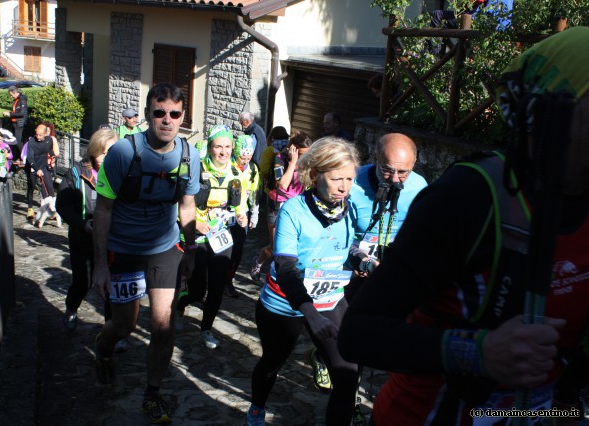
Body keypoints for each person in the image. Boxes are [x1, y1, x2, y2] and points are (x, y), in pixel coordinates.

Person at [338, 27, 589, 425]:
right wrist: (480, 352)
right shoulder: (471, 196)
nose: (397, 177)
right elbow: (359, 334)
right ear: (545, 114)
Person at [92, 82, 200, 424]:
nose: (166, 120)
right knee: (125, 324)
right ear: (147, 115)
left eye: (174, 114)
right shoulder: (123, 152)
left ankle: (152, 393)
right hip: (123, 250)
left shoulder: (189, 155)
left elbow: (187, 205)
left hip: (164, 249)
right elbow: (103, 209)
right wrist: (100, 265)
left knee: (164, 324)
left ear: (183, 116)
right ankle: (104, 348)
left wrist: (191, 249)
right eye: (159, 113)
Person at [247, 137, 364, 426]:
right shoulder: (293, 211)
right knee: (272, 362)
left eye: (349, 178)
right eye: (337, 178)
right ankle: (256, 408)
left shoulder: (351, 206)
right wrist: (308, 312)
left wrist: (363, 260)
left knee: (347, 375)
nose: (344, 186)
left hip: (329, 299)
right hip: (285, 302)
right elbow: (285, 267)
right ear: (314, 175)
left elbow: (348, 247)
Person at [307, 132, 429, 393]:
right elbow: (333, 231)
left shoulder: (420, 187)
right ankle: (324, 358)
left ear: (414, 164)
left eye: (403, 173)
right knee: (342, 330)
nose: (395, 179)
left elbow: (419, 235)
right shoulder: (354, 181)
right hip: (350, 268)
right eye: (387, 171)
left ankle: (353, 376)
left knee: (373, 330)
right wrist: (359, 260)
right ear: (375, 158)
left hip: (388, 269)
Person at [176, 125, 248, 348]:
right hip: (196, 239)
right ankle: (179, 305)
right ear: (210, 147)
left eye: (227, 146)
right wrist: (194, 223)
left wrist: (242, 216)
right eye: (218, 146)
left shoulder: (237, 174)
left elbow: (240, 204)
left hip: (221, 238)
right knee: (197, 289)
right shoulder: (195, 170)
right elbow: (178, 203)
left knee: (217, 287)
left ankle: (206, 329)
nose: (223, 151)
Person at [56, 128, 118, 332]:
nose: (105, 158)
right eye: (101, 152)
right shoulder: (76, 173)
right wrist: (83, 225)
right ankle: (71, 308)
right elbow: (62, 206)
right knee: (83, 282)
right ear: (92, 150)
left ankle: (111, 329)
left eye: (110, 152)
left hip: (111, 240)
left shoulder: (120, 174)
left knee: (111, 286)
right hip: (82, 239)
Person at [250, 130, 313, 282]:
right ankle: (258, 262)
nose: (305, 158)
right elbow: (283, 184)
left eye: (308, 154)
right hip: (278, 206)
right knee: (276, 247)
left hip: (297, 207)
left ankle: (283, 279)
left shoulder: (309, 163)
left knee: (293, 247)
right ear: (293, 150)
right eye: (302, 154)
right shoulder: (280, 159)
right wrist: (292, 163)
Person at [224, 134, 261, 298]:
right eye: (242, 157)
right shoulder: (226, 165)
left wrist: (254, 213)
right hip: (223, 214)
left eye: (248, 157)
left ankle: (228, 280)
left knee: (237, 251)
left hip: (242, 215)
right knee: (223, 249)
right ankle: (215, 279)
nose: (245, 161)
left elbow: (253, 192)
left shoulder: (252, 169)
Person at [24, 124, 56, 221]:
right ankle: (30, 208)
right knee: (31, 187)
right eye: (37, 134)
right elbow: (30, 158)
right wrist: (37, 169)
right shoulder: (32, 141)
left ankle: (51, 211)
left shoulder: (49, 140)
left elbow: (48, 149)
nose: (38, 137)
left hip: (44, 166)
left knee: (49, 187)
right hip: (33, 166)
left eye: (40, 135)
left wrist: (53, 156)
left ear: (45, 134)